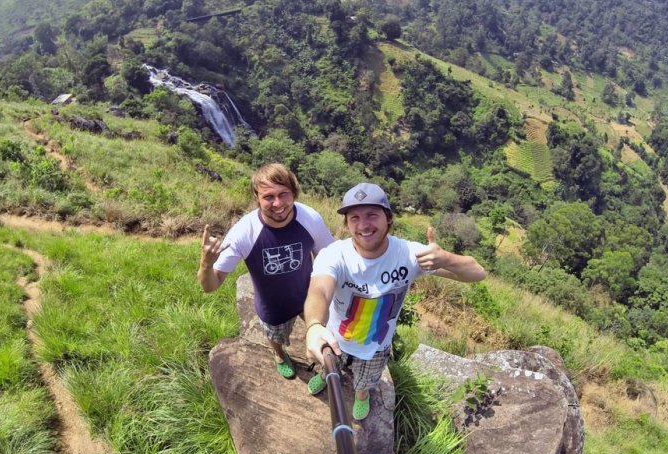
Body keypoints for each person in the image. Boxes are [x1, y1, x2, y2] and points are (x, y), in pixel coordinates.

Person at [304, 182, 486, 420]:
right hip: (335, 337)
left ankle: (362, 395)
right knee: (329, 363)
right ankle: (326, 374)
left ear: (388, 218)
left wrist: (446, 259)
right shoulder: (334, 254)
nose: (363, 225)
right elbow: (319, 290)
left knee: (366, 379)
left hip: (377, 345)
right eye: (354, 217)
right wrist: (315, 324)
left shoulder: (408, 255)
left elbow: (477, 273)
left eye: (372, 215)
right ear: (347, 223)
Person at [199, 163, 334, 378]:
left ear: (294, 193)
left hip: (310, 297)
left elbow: (329, 259)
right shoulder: (245, 232)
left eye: (283, 194)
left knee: (322, 337)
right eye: (268, 196)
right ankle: (279, 355)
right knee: (276, 337)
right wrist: (206, 264)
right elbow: (210, 285)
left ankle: (322, 367)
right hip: (273, 306)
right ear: (257, 198)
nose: (278, 203)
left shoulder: (310, 219)